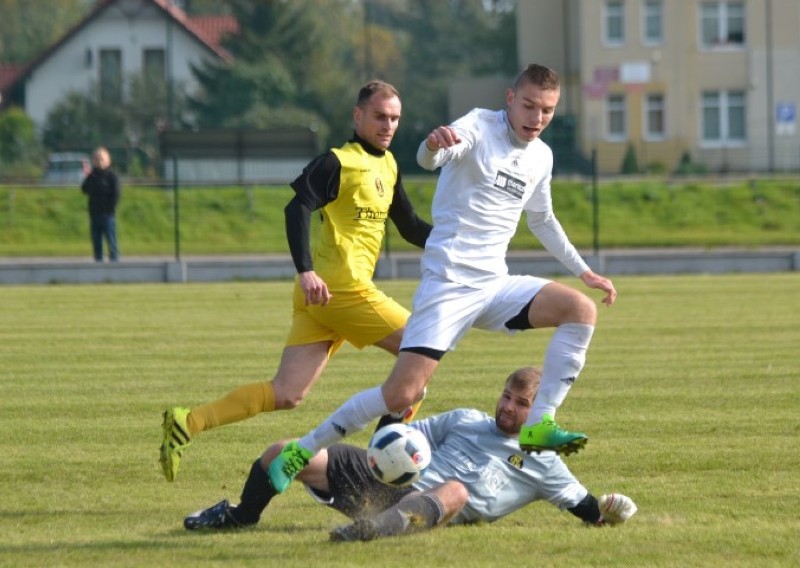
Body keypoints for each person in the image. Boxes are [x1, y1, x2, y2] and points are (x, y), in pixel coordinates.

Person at [269, 63, 618, 492]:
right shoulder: (476, 124)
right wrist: (433, 146)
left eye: (547, 111)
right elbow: (429, 156)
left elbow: (543, 219)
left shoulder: (541, 156)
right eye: (529, 106)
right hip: (449, 283)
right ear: (510, 99)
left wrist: (584, 272)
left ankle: (539, 424)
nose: (537, 118)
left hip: (495, 285)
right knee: (401, 394)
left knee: (580, 310)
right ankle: (301, 450)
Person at [159, 80, 432, 482]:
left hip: (325, 296)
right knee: (421, 356)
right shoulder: (339, 161)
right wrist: (304, 270)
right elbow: (297, 206)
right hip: (341, 289)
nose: (388, 124)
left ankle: (189, 422)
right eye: (379, 116)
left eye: (394, 118)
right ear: (358, 116)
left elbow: (409, 226)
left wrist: (460, 238)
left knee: (287, 393)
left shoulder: (388, 166)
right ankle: (380, 469)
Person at [183, 367, 637, 540]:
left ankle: (368, 532)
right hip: (385, 483)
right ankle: (241, 516)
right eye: (506, 397)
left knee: (456, 490)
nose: (507, 407)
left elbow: (589, 509)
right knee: (282, 451)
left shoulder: (544, 462)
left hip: (431, 506)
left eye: (520, 405)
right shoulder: (465, 418)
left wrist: (613, 509)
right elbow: (400, 438)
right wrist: (393, 423)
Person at [81, 146, 120, 262]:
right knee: (96, 239)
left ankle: (114, 260)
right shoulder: (92, 176)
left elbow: (116, 193)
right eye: (97, 159)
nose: (100, 162)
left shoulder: (112, 176)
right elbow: (84, 189)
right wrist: (89, 177)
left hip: (108, 214)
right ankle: (98, 260)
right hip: (95, 213)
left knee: (111, 238)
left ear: (108, 160)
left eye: (102, 159)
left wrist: (111, 208)